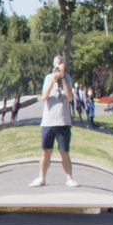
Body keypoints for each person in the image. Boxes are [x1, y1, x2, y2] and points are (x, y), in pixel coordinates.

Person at [33, 54, 78, 188]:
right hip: (48, 122)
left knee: (64, 152)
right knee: (46, 152)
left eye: (60, 65)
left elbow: (70, 97)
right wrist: (53, 80)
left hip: (63, 121)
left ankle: (69, 178)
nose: (58, 68)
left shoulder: (67, 78)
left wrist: (63, 78)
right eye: (56, 65)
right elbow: (44, 97)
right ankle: (41, 178)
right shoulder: (48, 78)